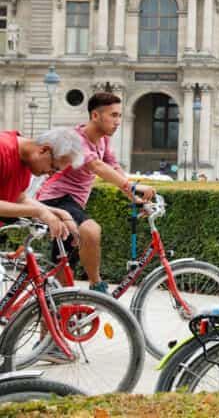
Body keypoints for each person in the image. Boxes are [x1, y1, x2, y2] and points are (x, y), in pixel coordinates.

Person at [35, 92, 156, 293]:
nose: (118, 121)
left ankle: (54, 318)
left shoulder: (103, 141)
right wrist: (133, 186)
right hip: (55, 198)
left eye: (119, 116)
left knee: (62, 274)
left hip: (72, 204)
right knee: (91, 230)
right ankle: (97, 286)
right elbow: (97, 166)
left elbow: (113, 167)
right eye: (113, 115)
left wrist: (133, 196)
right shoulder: (78, 139)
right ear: (95, 116)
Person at [0, 128, 84, 241]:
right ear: (44, 150)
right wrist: (39, 212)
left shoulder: (25, 161)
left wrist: (55, 211)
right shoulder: (2, 148)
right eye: (53, 168)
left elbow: (18, 198)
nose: (50, 175)